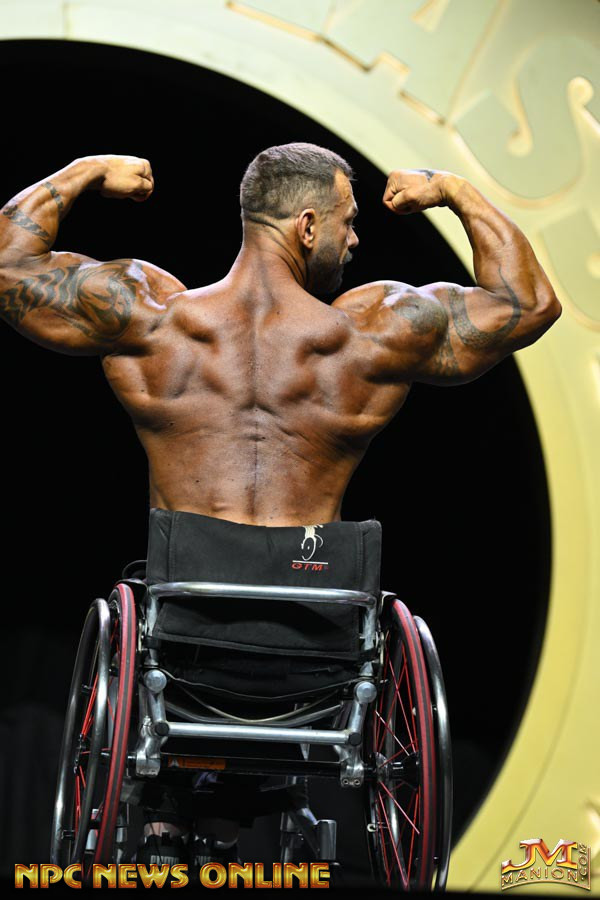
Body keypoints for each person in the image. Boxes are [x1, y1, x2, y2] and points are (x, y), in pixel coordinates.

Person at [0, 143, 561, 865]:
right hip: (317, 656)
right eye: (348, 222)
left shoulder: (154, 317)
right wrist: (454, 191)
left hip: (182, 645)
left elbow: (9, 269)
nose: (354, 240)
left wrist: (84, 171)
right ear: (307, 226)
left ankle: (171, 815)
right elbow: (527, 303)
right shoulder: (369, 333)